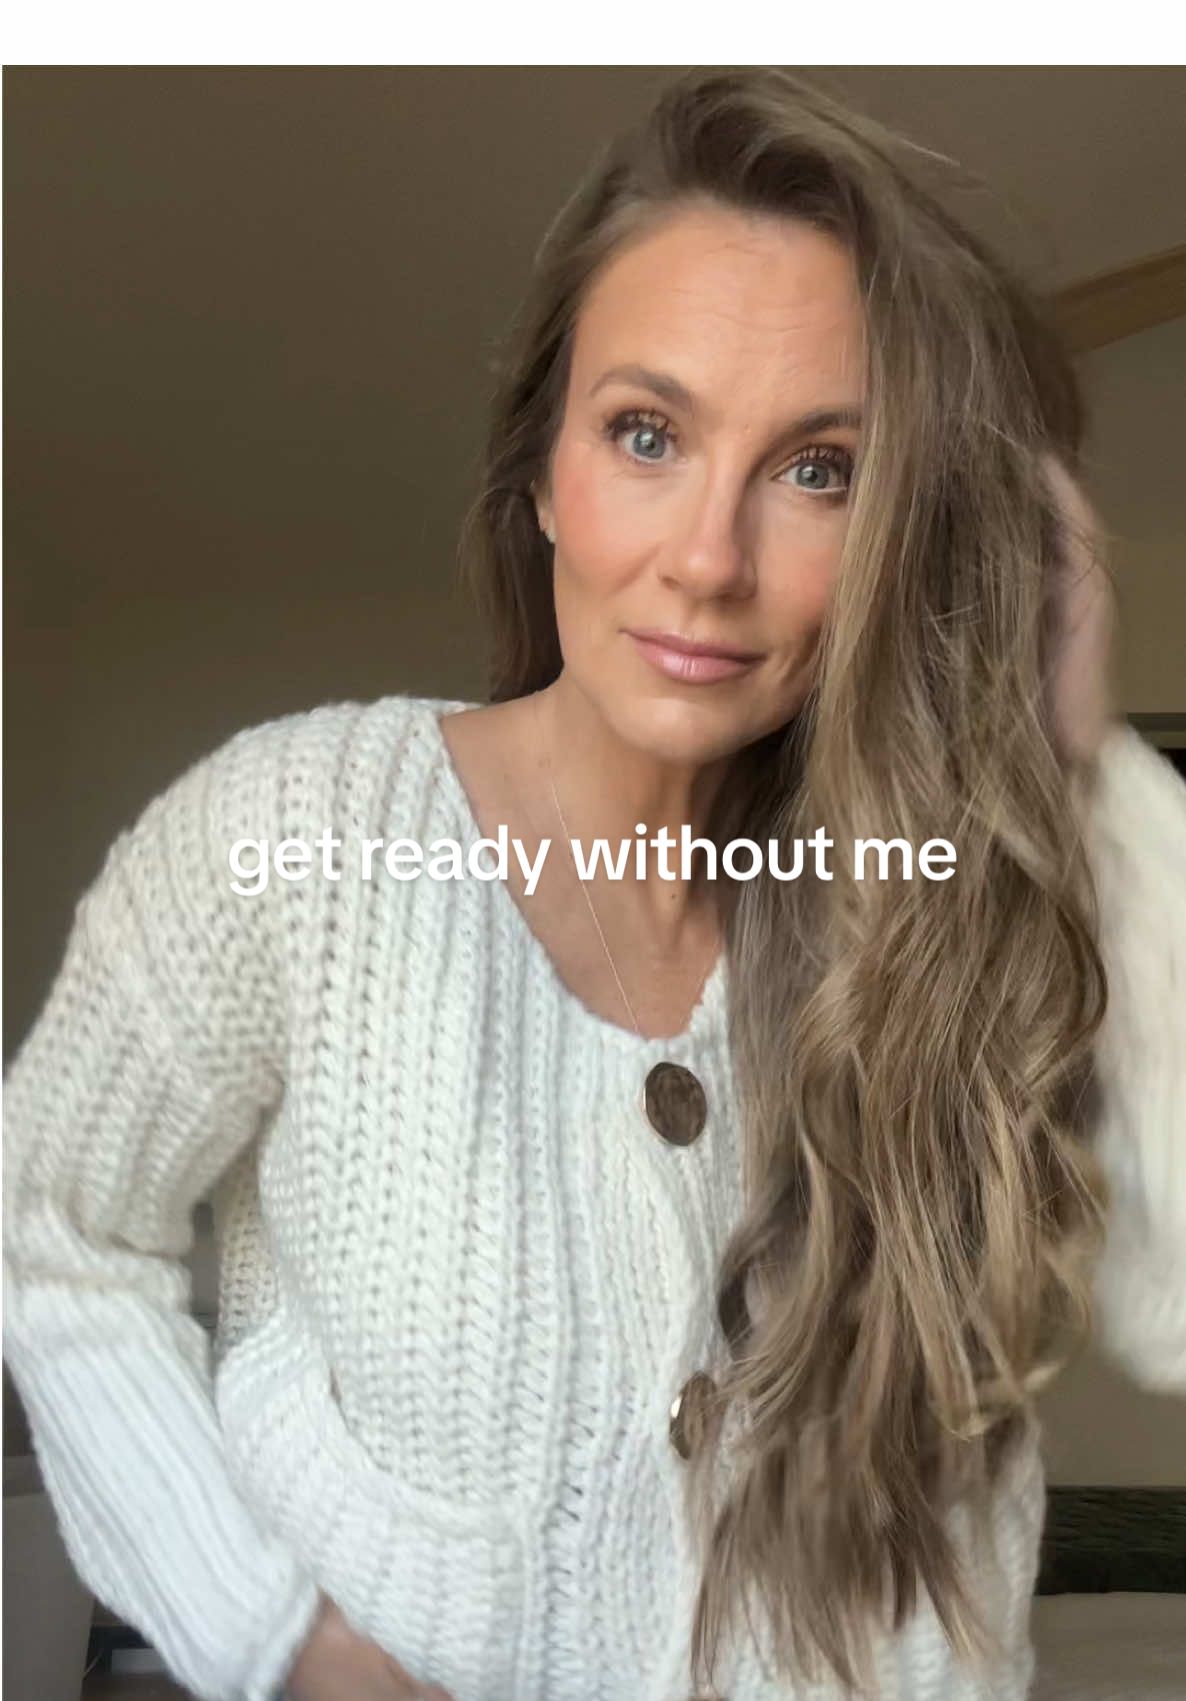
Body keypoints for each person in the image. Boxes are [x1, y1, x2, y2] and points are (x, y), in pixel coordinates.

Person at [4, 65, 1184, 1701]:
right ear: (545, 473)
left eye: (819, 469)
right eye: (646, 433)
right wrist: (280, 1640)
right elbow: (48, 1224)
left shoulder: (920, 907)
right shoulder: (301, 843)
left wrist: (1074, 764)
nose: (707, 557)